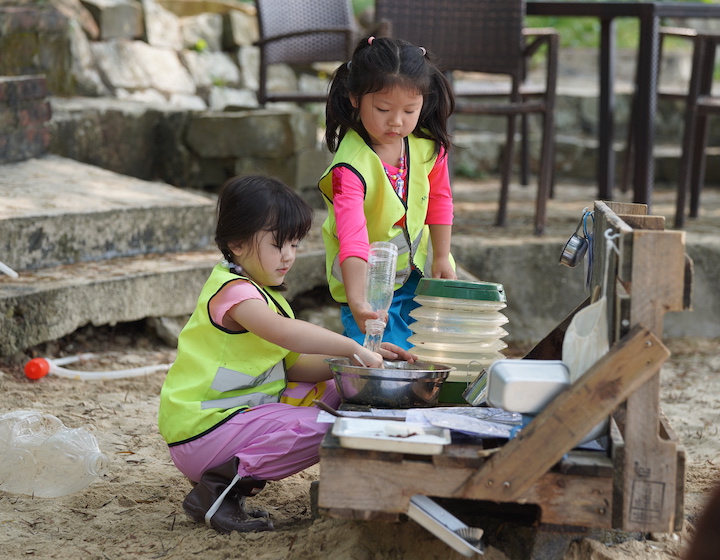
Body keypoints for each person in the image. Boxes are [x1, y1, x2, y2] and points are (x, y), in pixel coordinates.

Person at [157, 175, 415, 534]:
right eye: (279, 244)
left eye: (294, 244)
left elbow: (295, 368)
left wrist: (355, 364)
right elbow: (287, 334)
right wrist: (350, 345)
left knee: (346, 392)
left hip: (231, 422)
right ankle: (219, 490)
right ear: (237, 243)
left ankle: (224, 480)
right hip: (203, 431)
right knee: (326, 426)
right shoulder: (235, 293)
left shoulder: (265, 293)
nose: (289, 256)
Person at [319, 35, 457, 350]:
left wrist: (442, 256)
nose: (396, 121)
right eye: (382, 108)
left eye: (410, 110)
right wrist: (358, 303)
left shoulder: (428, 148)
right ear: (355, 98)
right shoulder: (349, 168)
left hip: (416, 277)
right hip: (367, 287)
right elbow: (352, 238)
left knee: (423, 354)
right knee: (377, 360)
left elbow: (439, 200)